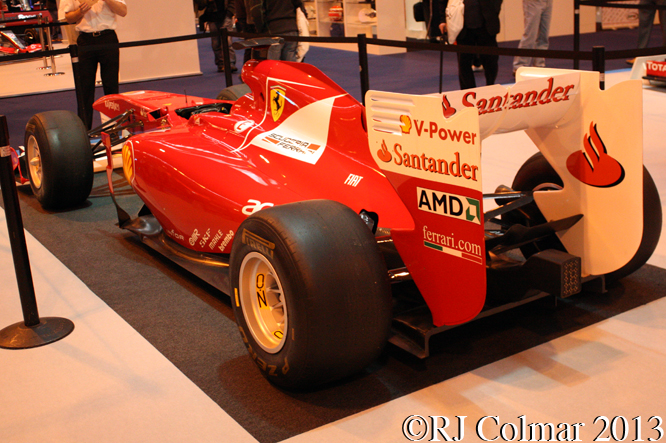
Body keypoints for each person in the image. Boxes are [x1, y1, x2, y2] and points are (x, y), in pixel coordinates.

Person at [59, 0, 127, 130]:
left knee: (111, 86)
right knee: (85, 89)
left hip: (108, 37)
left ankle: (114, 130)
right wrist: (80, 12)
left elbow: (123, 11)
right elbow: (68, 18)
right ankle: (85, 131)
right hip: (85, 40)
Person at [439, 0, 503, 90]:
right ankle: (468, 93)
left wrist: (494, 10)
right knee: (464, 62)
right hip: (461, 24)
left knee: (490, 60)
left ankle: (491, 87)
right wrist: (442, 20)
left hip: (486, 22)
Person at [196, 0, 237, 73]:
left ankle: (230, 63)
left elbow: (232, 2)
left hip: (226, 15)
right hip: (212, 17)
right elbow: (200, 5)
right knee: (216, 43)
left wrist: (230, 12)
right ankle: (221, 64)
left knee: (227, 42)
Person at [513, 0, 553, 74]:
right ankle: (520, 66)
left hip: (548, 1)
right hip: (533, 2)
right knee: (530, 34)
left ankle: (539, 65)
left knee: (544, 35)